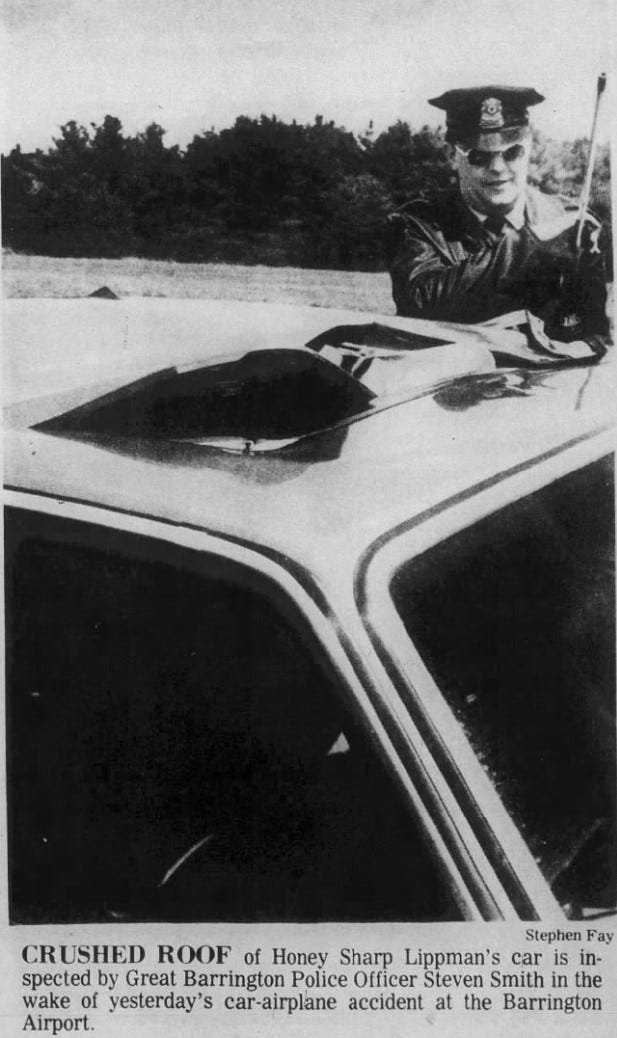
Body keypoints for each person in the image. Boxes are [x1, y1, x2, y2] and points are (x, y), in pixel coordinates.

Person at [387, 86, 609, 348]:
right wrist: (532, 244)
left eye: (512, 153)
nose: (498, 168)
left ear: (529, 148)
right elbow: (421, 304)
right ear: (451, 156)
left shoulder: (571, 224)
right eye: (479, 157)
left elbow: (596, 336)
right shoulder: (419, 224)